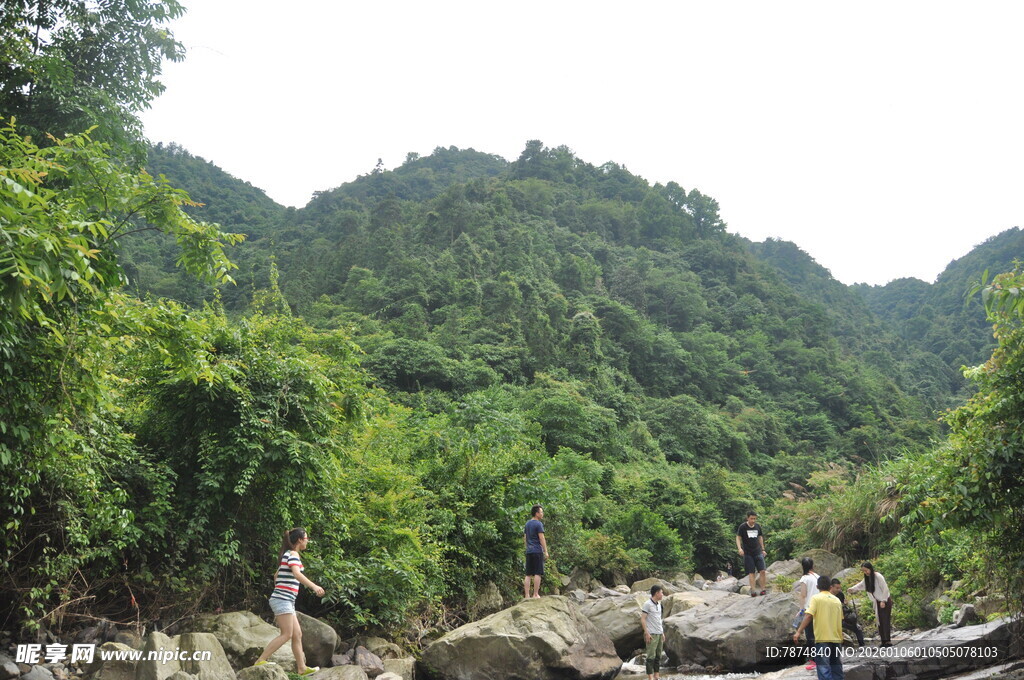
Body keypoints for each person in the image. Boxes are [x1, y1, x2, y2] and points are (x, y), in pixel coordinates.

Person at [254, 528, 325, 677]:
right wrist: (314, 586)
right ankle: (260, 660)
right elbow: (297, 573)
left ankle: (302, 668)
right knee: (286, 634)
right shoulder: (293, 554)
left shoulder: (287, 555)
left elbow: (276, 575)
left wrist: (282, 588)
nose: (307, 540)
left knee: (297, 634)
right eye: (306, 538)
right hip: (283, 600)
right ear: (299, 539)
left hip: (285, 600)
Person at [793, 575, 844, 680]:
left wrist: (799, 631)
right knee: (837, 669)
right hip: (836, 639)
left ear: (817, 586)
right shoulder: (837, 601)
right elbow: (840, 619)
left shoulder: (816, 598)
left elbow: (808, 615)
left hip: (822, 639)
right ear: (830, 586)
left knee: (824, 669)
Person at [850, 561, 892, 646]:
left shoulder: (878, 576)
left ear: (870, 569)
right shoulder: (867, 578)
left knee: (885, 620)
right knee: (879, 621)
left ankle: (887, 641)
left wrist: (883, 601)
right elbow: (860, 585)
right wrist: (852, 589)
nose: (865, 573)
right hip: (877, 602)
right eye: (864, 571)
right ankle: (883, 641)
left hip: (885, 601)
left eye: (866, 570)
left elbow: (885, 589)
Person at [793, 557, 819, 671]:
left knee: (810, 636)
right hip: (820, 608)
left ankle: (814, 660)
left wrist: (801, 609)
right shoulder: (817, 576)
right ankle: (821, 658)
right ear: (812, 565)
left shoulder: (805, 578)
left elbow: (803, 595)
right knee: (818, 635)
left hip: (810, 609)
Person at [735, 511, 767, 596]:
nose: (753, 520)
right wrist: (739, 548)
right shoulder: (743, 527)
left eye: (754, 519)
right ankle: (753, 590)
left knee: (762, 570)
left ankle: (763, 589)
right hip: (748, 553)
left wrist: (763, 549)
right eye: (751, 518)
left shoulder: (757, 526)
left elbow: (760, 537)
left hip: (758, 551)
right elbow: (738, 538)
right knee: (751, 572)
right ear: (747, 518)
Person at [523, 505, 548, 599]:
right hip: (537, 550)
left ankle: (526, 595)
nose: (542, 514)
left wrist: (527, 547)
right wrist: (545, 551)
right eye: (541, 512)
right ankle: (535, 594)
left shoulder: (527, 524)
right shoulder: (538, 524)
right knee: (538, 573)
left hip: (529, 551)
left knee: (528, 574)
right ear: (537, 513)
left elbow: (525, 538)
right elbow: (541, 538)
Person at [641, 585, 665, 680]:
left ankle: (656, 676)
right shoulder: (647, 604)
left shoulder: (659, 604)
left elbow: (659, 619)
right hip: (651, 634)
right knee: (651, 656)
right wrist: (646, 633)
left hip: (659, 633)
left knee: (658, 656)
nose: (662, 594)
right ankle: (650, 677)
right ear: (656, 593)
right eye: (661, 592)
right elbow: (643, 619)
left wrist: (662, 632)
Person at [831, 578, 865, 647]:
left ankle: (862, 646)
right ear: (831, 587)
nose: (838, 589)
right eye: (837, 588)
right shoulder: (827, 596)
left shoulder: (840, 594)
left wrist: (845, 604)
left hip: (843, 617)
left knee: (858, 629)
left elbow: (843, 605)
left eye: (839, 588)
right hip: (832, 619)